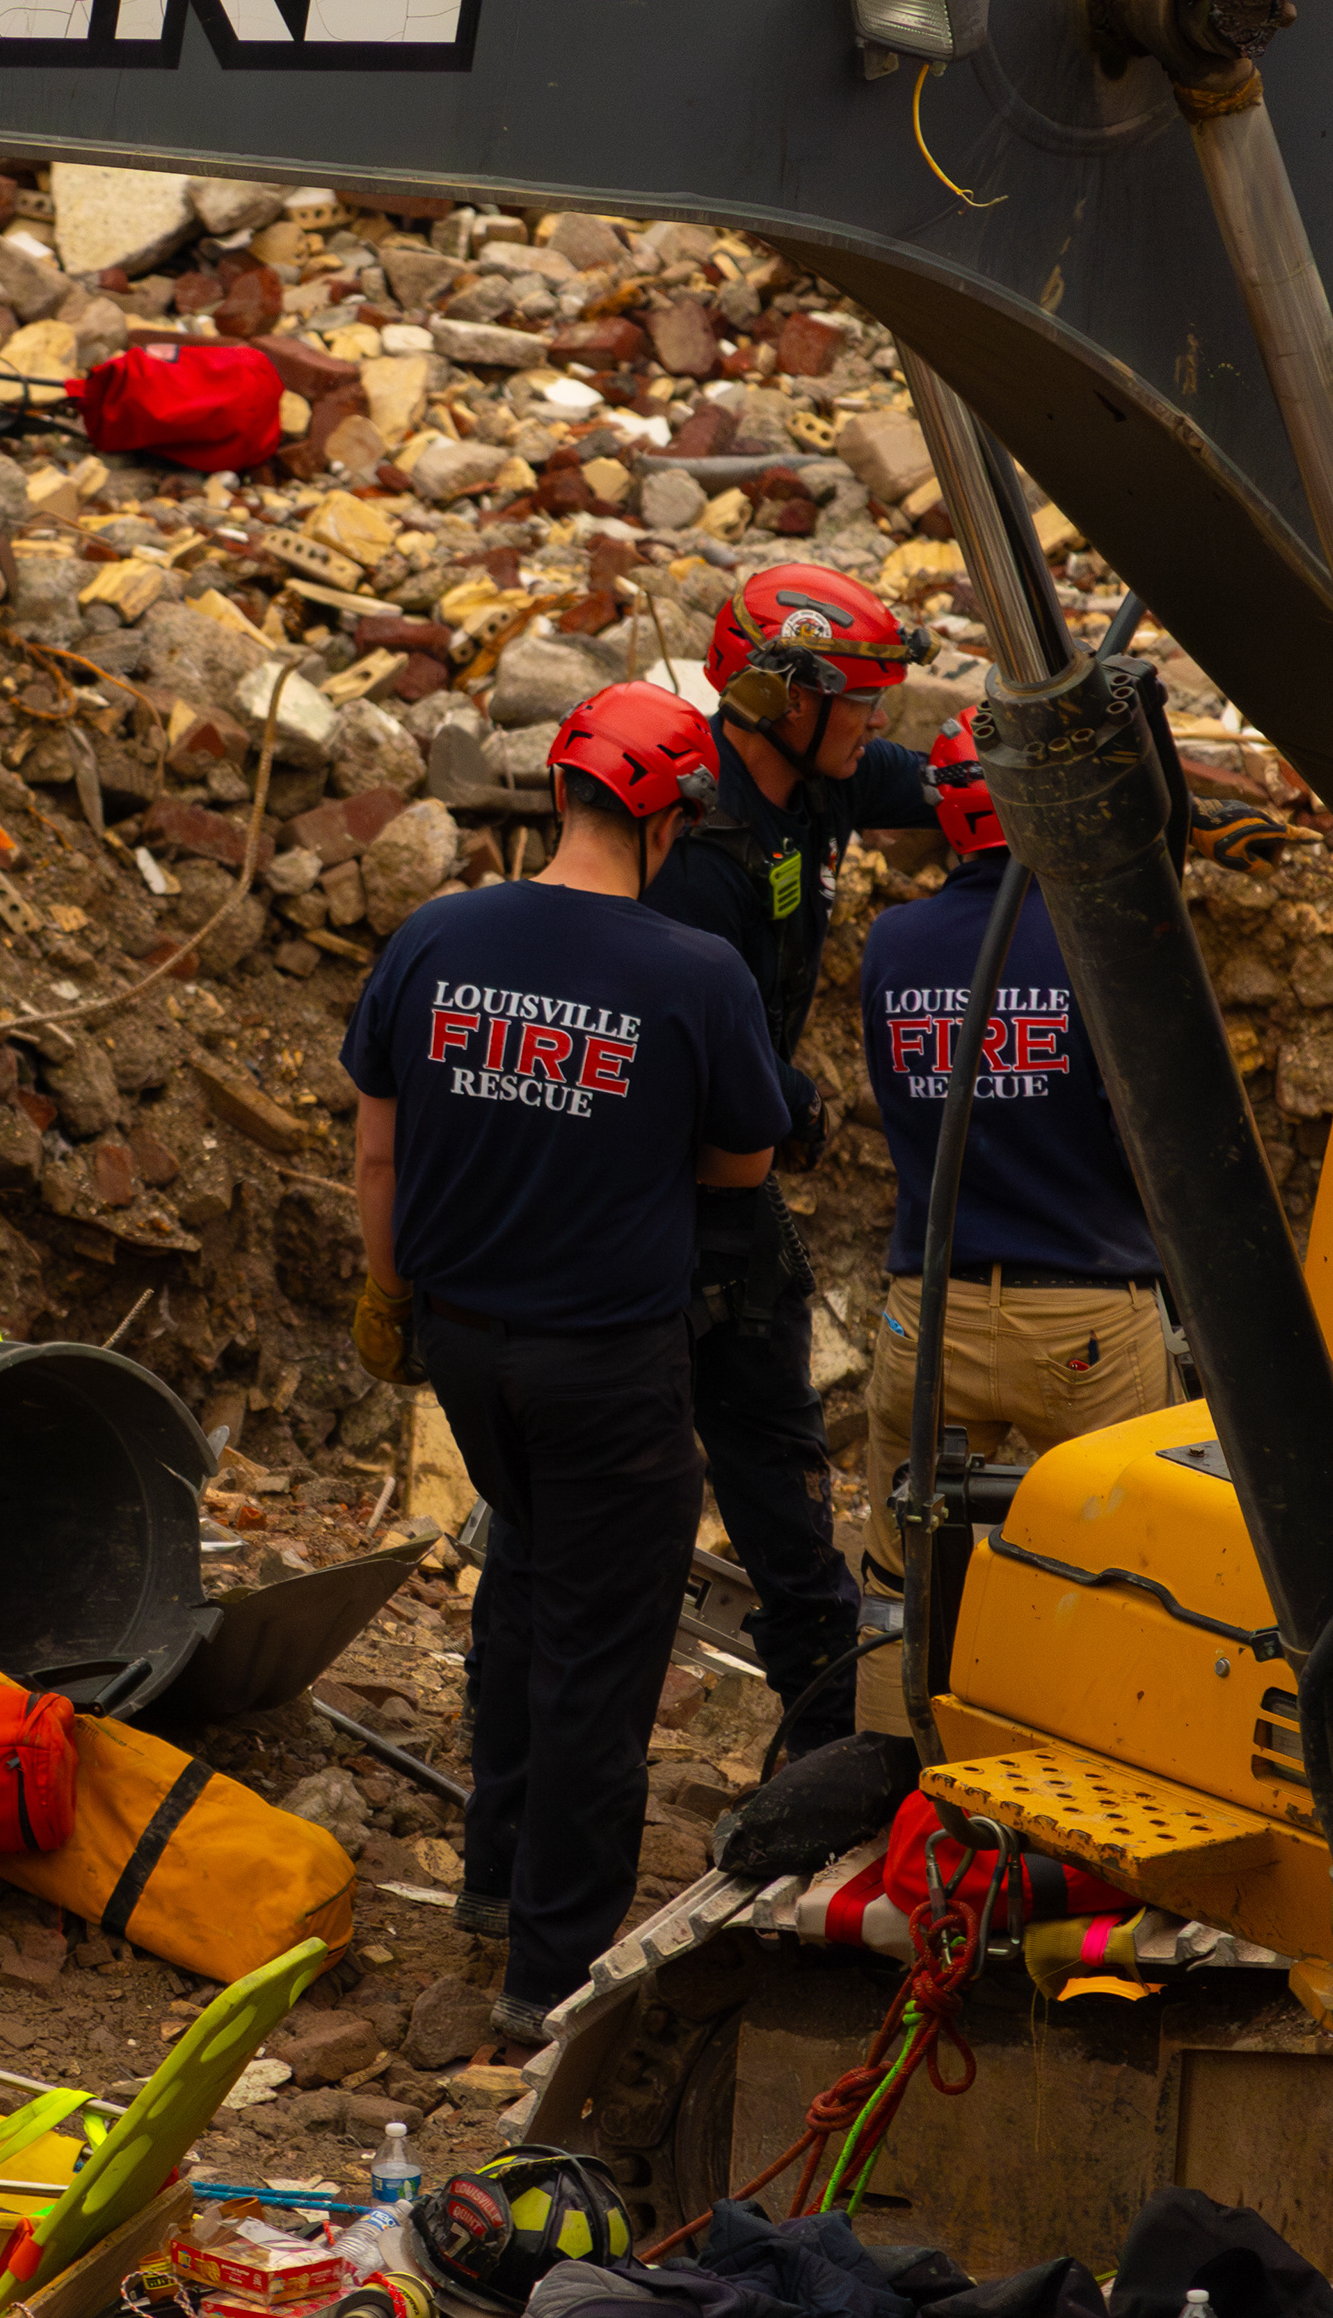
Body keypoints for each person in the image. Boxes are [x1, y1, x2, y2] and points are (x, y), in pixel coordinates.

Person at [343, 681, 791, 2045]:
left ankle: (494, 1877)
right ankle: (550, 1979)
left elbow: (379, 1142)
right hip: (605, 1368)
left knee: (529, 1579)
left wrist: (383, 1291)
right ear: (666, 820)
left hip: (463, 1350)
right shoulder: (692, 974)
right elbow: (745, 1158)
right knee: (604, 1648)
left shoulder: (437, 937)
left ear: (562, 798)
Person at [844, 710, 1316, 1742]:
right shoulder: (1100, 942)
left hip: (926, 1315)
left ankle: (884, 1788)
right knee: (1136, 1575)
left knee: (900, 1572)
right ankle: (1113, 1783)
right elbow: (1159, 1133)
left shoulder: (891, 943)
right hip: (1087, 1320)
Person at [636, 565, 937, 1759]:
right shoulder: (695, 850)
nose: (873, 727)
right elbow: (693, 1058)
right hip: (674, 1180)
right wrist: (790, 1097)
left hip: (743, 1157)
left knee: (775, 1440)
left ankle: (818, 1711)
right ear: (779, 698)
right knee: (712, 1435)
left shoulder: (818, 781)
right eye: (857, 702)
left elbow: (936, 785)